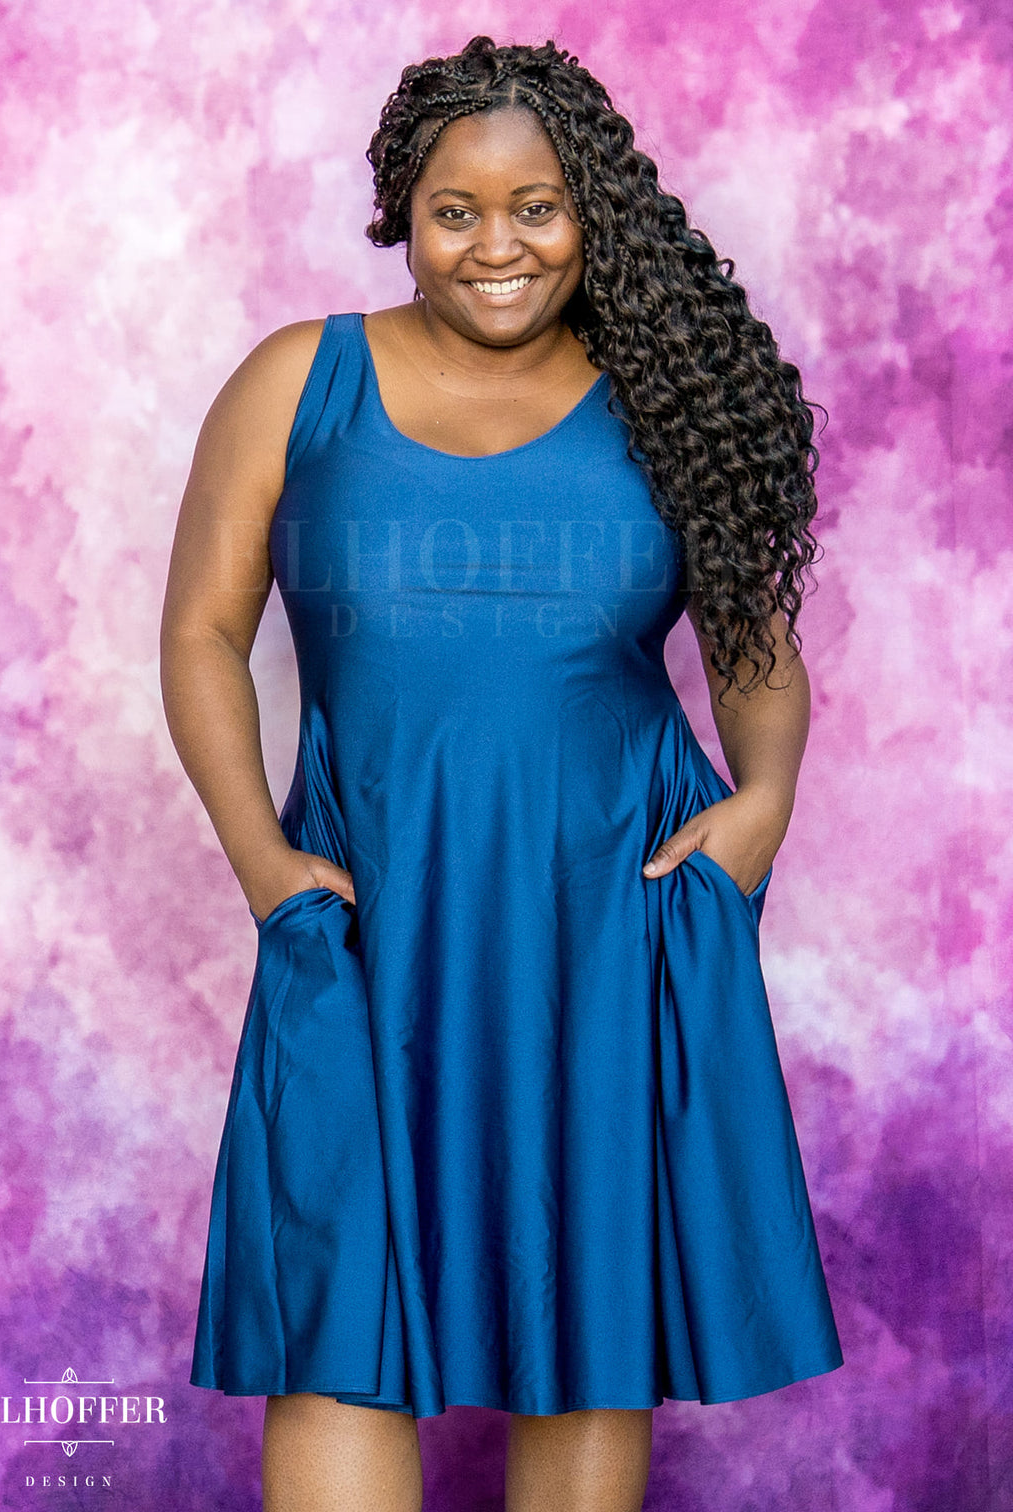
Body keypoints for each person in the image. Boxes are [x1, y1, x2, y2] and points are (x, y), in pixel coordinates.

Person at [160, 34, 844, 1512]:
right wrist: (265, 865)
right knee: (338, 1308)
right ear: (400, 213)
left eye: (537, 207)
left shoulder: (664, 398)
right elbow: (206, 631)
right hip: (362, 913)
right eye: (455, 210)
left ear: (590, 211)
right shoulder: (301, 381)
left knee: (588, 1306)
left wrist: (762, 806)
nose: (497, 246)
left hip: (606, 914)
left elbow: (753, 651)